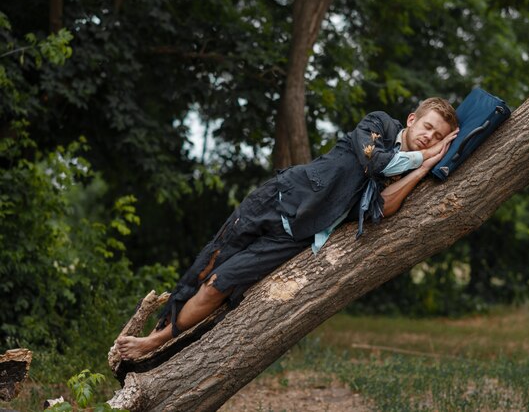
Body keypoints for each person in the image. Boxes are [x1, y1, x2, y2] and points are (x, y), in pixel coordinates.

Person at [117, 98, 459, 359]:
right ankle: (158, 330)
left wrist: (420, 170)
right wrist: (422, 160)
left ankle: (156, 342)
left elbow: (383, 207)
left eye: (438, 138)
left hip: (296, 235)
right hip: (279, 198)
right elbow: (371, 161)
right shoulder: (380, 125)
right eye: (427, 127)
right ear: (412, 120)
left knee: (218, 284)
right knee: (208, 261)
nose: (429, 137)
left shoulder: (403, 171)